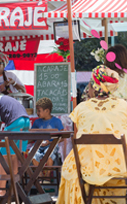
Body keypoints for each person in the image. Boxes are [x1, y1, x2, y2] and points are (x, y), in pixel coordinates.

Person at [57, 65, 127, 204]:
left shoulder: (81, 108)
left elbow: (77, 135)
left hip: (88, 169)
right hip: (121, 169)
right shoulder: (123, 106)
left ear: (94, 85)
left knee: (71, 166)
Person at [30, 97, 66, 178]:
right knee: (32, 154)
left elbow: (63, 137)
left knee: (49, 154)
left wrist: (50, 142)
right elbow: (32, 135)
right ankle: (40, 176)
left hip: (51, 145)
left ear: (47, 111)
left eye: (39, 111)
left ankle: (48, 177)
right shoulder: (36, 122)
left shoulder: (57, 121)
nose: (37, 113)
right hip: (38, 145)